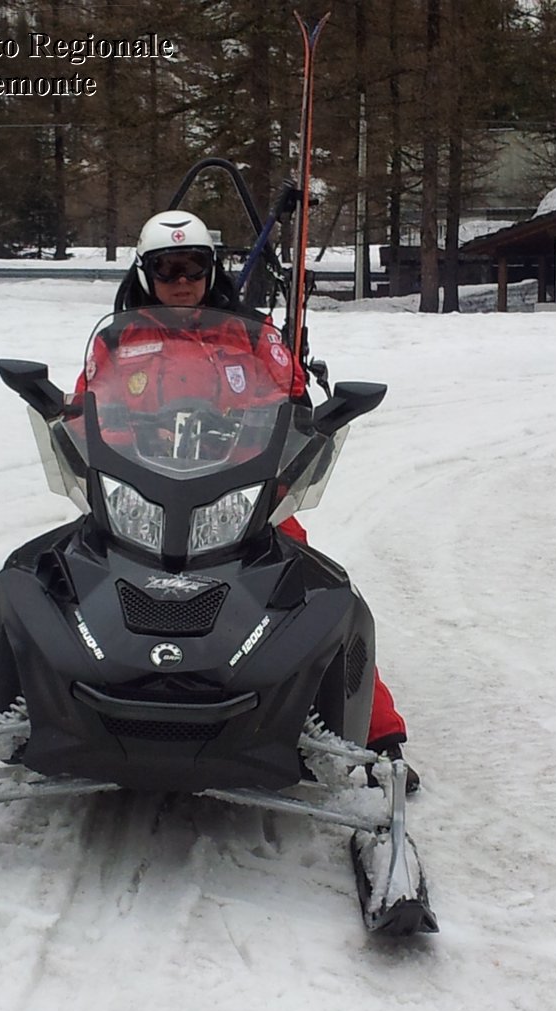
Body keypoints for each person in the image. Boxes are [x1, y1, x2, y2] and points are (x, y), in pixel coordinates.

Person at [77, 210, 418, 791]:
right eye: (167, 268)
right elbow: (86, 407)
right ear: (145, 273)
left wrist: (306, 420)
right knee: (66, 572)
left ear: (213, 269)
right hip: (140, 492)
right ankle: (62, 696)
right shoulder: (119, 341)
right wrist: (69, 420)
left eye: (194, 267)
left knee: (317, 585)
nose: (181, 280)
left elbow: (293, 404)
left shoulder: (253, 338)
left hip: (236, 496)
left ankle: (375, 731)